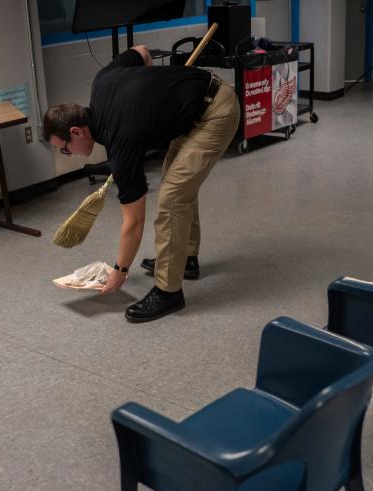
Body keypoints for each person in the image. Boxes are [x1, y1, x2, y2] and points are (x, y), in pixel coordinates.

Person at [43, 44, 240, 323]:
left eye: (63, 148)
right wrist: (153, 94)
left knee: (172, 197)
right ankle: (185, 260)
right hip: (193, 109)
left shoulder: (122, 142)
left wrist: (119, 272)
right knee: (179, 182)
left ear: (75, 131)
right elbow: (142, 51)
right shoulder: (100, 83)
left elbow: (134, 222)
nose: (67, 154)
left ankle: (168, 292)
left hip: (216, 112)